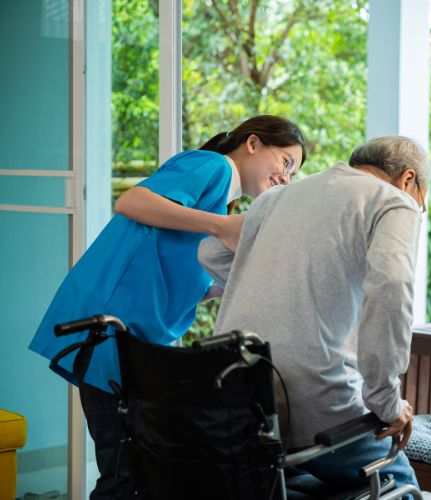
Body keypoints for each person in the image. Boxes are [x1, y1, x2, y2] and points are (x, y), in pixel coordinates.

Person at [29, 114, 307, 499]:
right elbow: (132, 200)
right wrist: (220, 228)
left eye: (294, 174)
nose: (286, 178)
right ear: (253, 143)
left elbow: (183, 274)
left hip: (131, 337)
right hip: (110, 327)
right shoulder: (212, 166)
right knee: (122, 476)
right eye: (286, 163)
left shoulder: (221, 209)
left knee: (133, 471)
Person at [198, 135, 428, 494]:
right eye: (421, 203)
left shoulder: (276, 197)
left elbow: (210, 252)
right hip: (315, 411)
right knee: (402, 488)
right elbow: (391, 291)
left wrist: (269, 283)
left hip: (237, 406)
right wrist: (387, 402)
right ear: (408, 180)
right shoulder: (393, 201)